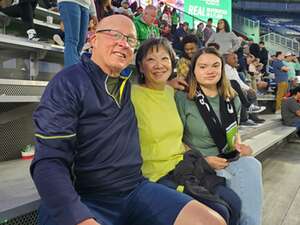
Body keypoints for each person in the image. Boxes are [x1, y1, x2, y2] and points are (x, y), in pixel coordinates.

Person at [30, 15, 227, 225]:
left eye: (130, 39)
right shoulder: (68, 83)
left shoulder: (125, 82)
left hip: (135, 189)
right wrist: (77, 215)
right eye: (114, 35)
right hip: (87, 197)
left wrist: (168, 82)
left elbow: (154, 83)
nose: (123, 43)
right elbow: (48, 161)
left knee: (212, 221)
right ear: (93, 39)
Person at [131, 37, 241, 225]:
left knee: (234, 203)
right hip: (155, 174)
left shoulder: (171, 92)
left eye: (164, 59)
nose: (159, 65)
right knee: (219, 211)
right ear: (140, 67)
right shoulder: (131, 95)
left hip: (183, 167)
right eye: (151, 60)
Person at [175, 47, 263, 225]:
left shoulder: (233, 97)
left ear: (222, 69)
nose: (210, 70)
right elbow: (178, 139)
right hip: (200, 162)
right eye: (203, 66)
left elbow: (234, 132)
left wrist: (241, 146)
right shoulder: (183, 99)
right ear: (194, 71)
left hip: (229, 158)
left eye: (215, 65)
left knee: (252, 164)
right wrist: (204, 159)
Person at [58, 0, 98, 67]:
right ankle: (71, 72)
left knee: (81, 42)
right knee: (72, 40)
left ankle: (73, 69)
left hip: (85, 5)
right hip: (70, 2)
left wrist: (93, 13)